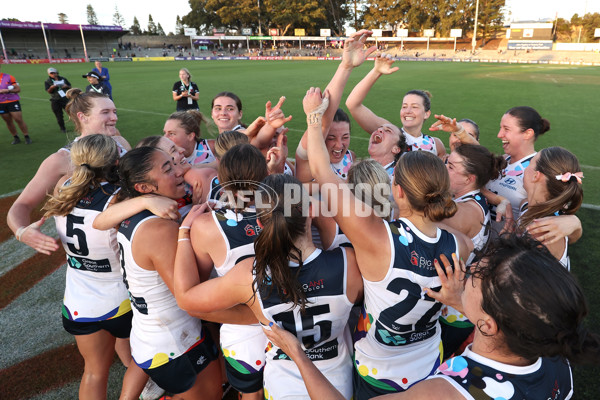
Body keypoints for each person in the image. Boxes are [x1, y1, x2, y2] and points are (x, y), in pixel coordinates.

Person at [262, 234, 600, 400]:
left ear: (488, 324)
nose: (465, 272)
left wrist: (297, 354)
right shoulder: (556, 355)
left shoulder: (445, 393)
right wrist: (464, 302)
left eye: (474, 277)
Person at [305, 86, 471, 398]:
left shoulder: (375, 236)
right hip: (429, 365)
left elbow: (320, 170)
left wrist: (314, 117)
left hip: (378, 372)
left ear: (397, 192)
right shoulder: (461, 245)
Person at [173, 173, 363, 400]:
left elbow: (185, 299)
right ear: (311, 211)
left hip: (283, 386)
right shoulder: (349, 263)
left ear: (261, 223)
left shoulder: (249, 274)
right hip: (337, 384)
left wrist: (183, 233)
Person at [115, 146, 222, 399]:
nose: (178, 172)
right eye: (167, 169)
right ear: (144, 188)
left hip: (150, 333)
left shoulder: (132, 212)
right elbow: (189, 299)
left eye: (173, 164)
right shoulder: (159, 229)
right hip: (176, 340)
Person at [42, 134, 134, 399]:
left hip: (79, 302)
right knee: (148, 361)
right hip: (124, 299)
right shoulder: (119, 198)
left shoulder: (65, 186)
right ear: (115, 160)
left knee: (94, 372)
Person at [7, 89, 130, 255]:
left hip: (130, 240)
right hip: (97, 255)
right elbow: (22, 205)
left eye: (114, 112)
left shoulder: (119, 141)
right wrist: (21, 232)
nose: (114, 118)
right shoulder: (61, 159)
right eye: (105, 112)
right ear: (82, 117)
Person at [437, 144, 506, 357]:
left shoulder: (464, 212)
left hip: (453, 313)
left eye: (450, 166)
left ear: (469, 179)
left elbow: (417, 222)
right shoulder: (472, 199)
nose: (443, 168)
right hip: (458, 305)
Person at [345, 53, 446, 159]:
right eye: (404, 106)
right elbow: (353, 104)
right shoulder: (390, 133)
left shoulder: (436, 145)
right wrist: (376, 71)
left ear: (426, 113)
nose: (408, 111)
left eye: (415, 107)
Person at [519, 146, 584, 270]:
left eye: (529, 163)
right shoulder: (529, 207)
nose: (524, 169)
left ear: (536, 176)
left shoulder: (542, 233)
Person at [0, 64, 31, 144]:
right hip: (1, 103)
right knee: (8, 121)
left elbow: (18, 89)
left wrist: (8, 91)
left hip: (12, 101)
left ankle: (26, 136)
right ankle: (16, 137)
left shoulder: (9, 77)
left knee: (18, 119)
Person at [44, 67, 72, 133]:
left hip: (65, 99)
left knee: (72, 112)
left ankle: (79, 125)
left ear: (57, 72)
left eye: (54, 73)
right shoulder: (47, 81)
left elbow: (70, 86)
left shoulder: (63, 79)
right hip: (55, 100)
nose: (53, 74)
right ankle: (62, 128)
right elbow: (48, 91)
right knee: (59, 115)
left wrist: (66, 86)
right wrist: (51, 87)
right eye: (51, 73)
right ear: (49, 74)